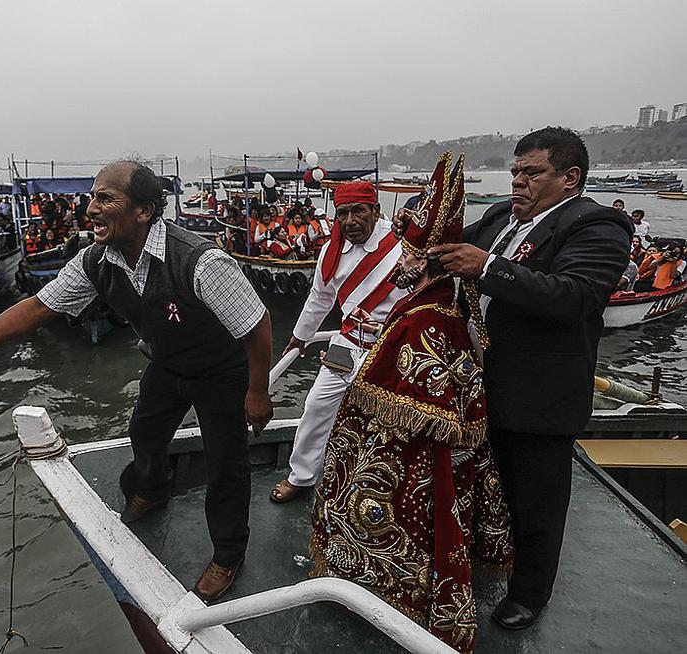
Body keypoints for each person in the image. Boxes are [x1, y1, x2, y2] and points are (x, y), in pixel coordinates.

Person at [0, 161, 273, 602]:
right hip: (167, 363)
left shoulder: (201, 261)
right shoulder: (97, 260)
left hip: (221, 372)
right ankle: (152, 490)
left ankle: (228, 554)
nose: (90, 208)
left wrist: (257, 392)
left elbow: (256, 325)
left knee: (226, 464)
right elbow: (39, 308)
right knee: (144, 432)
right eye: (92, 197)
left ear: (143, 211)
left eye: (105, 199)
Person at [395, 127, 631, 630]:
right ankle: (481, 560)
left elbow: (573, 296)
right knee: (479, 486)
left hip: (538, 397)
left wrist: (488, 267)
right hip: (474, 389)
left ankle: (529, 592)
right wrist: (422, 252)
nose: (518, 182)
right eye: (515, 172)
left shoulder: (598, 225)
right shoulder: (501, 216)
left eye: (532, 173)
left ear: (570, 178)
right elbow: (449, 250)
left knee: (536, 501)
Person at [312, 152, 512, 653]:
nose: (398, 261)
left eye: (406, 254)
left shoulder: (427, 315)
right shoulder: (439, 299)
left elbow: (406, 389)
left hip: (412, 451)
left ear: (422, 260)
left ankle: (399, 591)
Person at [270, 180, 406, 503]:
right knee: (316, 405)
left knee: (391, 419)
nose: (350, 221)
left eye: (358, 211)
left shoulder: (402, 246)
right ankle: (301, 476)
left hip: (391, 345)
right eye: (342, 214)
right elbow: (320, 298)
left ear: (376, 210)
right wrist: (299, 337)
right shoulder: (331, 251)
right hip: (348, 343)